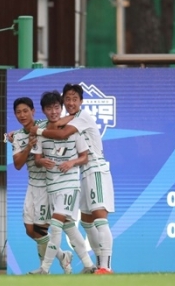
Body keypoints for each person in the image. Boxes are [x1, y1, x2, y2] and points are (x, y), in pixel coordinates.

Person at [30, 83, 115, 275]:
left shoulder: (82, 117)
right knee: (86, 222)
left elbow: (61, 133)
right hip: (83, 174)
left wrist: (39, 132)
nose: (70, 102)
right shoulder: (70, 118)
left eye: (74, 99)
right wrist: (13, 135)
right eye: (67, 99)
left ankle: (105, 267)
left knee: (100, 219)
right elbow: (56, 124)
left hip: (96, 169)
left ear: (81, 101)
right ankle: (93, 264)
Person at [10, 97, 73, 274]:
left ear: (33, 111)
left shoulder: (44, 125)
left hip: (48, 184)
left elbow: (64, 125)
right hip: (32, 185)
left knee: (40, 229)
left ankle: (44, 269)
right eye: (18, 112)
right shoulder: (17, 136)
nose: (22, 115)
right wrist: (28, 147)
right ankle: (62, 256)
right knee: (30, 230)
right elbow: (17, 164)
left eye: (25, 111)